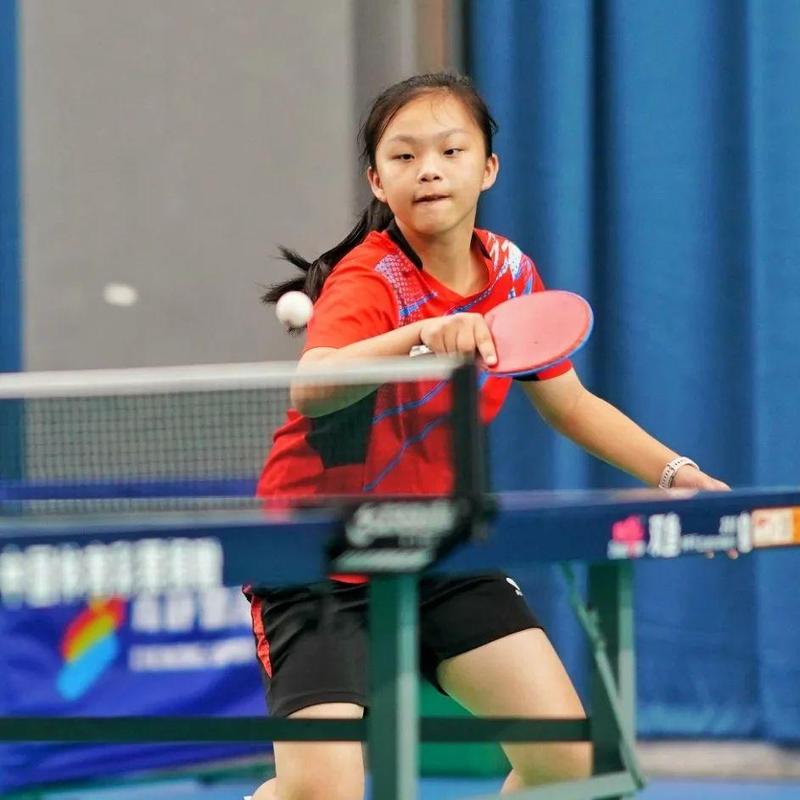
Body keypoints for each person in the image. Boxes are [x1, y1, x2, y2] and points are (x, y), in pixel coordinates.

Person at [245, 72, 728, 800]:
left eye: (450, 150)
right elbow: (313, 387)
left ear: (488, 167)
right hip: (318, 557)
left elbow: (568, 402)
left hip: (436, 546)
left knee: (568, 764)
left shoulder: (509, 273)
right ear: (377, 180)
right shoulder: (368, 278)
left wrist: (673, 472)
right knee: (322, 791)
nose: (429, 170)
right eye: (404, 156)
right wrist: (421, 336)